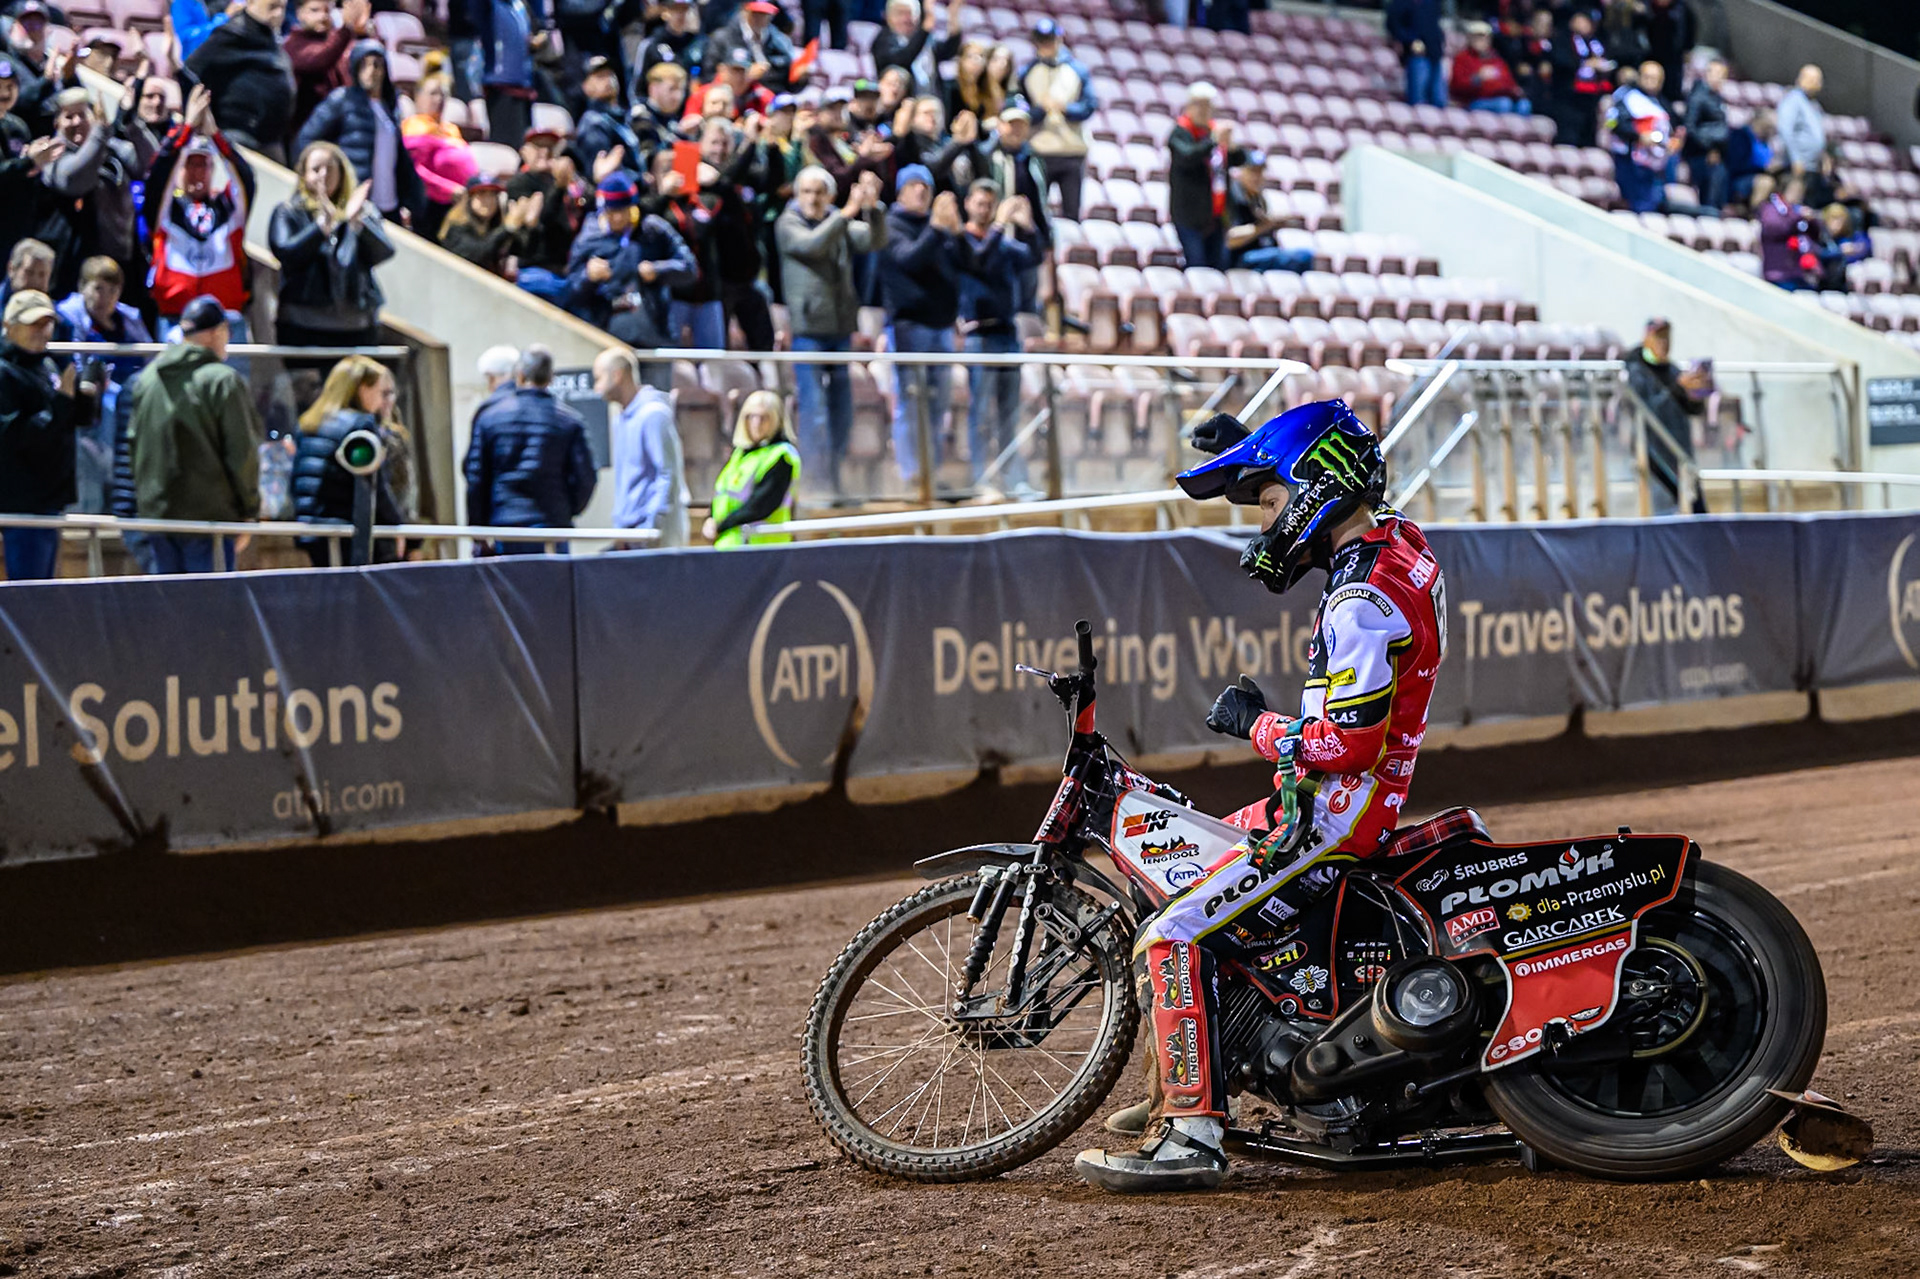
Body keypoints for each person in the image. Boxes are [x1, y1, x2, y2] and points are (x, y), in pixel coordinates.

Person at [1075, 399, 1445, 1192]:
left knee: (1174, 933)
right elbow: (1339, 463)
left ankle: (1193, 1138)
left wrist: (1256, 723)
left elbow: (1346, 743)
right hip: (1332, 805)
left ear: (1316, 486)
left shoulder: (1360, 600)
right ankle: (1179, 1078)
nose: (1269, 521)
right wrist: (1245, 447)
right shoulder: (1396, 545)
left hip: (1329, 814)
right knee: (1176, 865)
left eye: (1273, 500)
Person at [124, 295, 260, 573]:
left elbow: (133, 444)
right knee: (209, 611)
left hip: (157, 517)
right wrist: (250, 511)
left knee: (169, 611)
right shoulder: (222, 380)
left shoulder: (147, 379)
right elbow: (241, 452)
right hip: (208, 519)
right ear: (214, 333)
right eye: (226, 332)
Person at [777, 164, 885, 494]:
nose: (812, 198)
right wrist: (846, 213)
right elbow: (812, 246)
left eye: (818, 192)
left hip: (840, 329)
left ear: (829, 195)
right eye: (806, 192)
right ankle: (814, 483)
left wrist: (872, 207)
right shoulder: (788, 223)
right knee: (814, 410)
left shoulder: (837, 221)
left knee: (842, 411)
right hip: (808, 330)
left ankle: (836, 480)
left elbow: (872, 240)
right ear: (798, 195)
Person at [463, 344, 597, 553]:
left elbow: (476, 477)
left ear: (519, 375)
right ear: (551, 377)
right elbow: (586, 477)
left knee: (507, 586)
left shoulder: (490, 417)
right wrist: (566, 510)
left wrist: (478, 528)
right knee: (553, 586)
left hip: (505, 526)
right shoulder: (570, 421)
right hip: (552, 528)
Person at [145, 83, 255, 328]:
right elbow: (158, 175)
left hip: (226, 317)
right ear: (179, 170)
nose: (196, 172)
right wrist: (186, 129)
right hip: (175, 317)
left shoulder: (228, 205)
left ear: (212, 169)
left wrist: (214, 134)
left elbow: (246, 178)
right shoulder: (166, 206)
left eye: (203, 165)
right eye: (189, 165)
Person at [270, 140, 396, 349]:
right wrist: (320, 228)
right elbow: (285, 252)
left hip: (357, 324)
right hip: (303, 322)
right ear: (303, 174)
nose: (323, 175)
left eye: (330, 168)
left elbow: (384, 252)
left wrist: (357, 223)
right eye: (316, 169)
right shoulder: (288, 212)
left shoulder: (361, 211)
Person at [879, 163, 960, 486]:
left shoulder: (936, 227)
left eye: (926, 187)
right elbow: (908, 259)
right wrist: (938, 230)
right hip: (910, 327)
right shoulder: (890, 225)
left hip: (941, 327)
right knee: (911, 402)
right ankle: (912, 473)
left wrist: (954, 231)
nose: (921, 192)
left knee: (938, 404)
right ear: (900, 191)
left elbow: (960, 265)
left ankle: (932, 470)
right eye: (914, 186)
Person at [290, 352, 408, 564]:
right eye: (379, 392)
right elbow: (374, 484)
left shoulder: (310, 423)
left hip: (310, 528)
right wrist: (397, 526)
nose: (382, 400)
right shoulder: (360, 425)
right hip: (345, 529)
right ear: (362, 389)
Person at [565, 171, 697, 356]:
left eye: (624, 211)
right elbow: (570, 293)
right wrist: (588, 277)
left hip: (655, 338)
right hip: (607, 341)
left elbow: (690, 268)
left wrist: (658, 270)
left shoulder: (653, 230)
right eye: (612, 212)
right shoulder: (589, 238)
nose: (618, 218)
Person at [956, 178, 1033, 496]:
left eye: (990, 204)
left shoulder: (1001, 240)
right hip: (978, 335)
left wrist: (1027, 227)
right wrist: (1001, 223)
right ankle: (981, 478)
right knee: (980, 415)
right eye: (980, 203)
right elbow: (979, 259)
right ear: (968, 204)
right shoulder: (963, 240)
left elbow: (1031, 257)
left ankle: (1013, 478)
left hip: (1007, 334)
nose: (985, 209)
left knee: (1008, 413)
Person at [38, 86, 150, 301]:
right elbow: (72, 180)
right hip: (74, 267)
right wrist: (99, 131)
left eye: (83, 114)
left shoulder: (114, 148)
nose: (77, 121)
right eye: (69, 116)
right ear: (57, 123)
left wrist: (131, 123)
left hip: (122, 261)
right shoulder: (51, 155)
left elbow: (147, 166)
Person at [295, 41, 425, 224]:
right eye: (364, 64)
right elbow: (306, 140)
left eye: (377, 64)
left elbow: (399, 159)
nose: (371, 71)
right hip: (352, 199)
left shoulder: (390, 109)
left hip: (387, 206)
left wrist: (413, 199)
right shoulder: (342, 100)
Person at [0, 289, 78, 580]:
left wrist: (83, 399)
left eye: (47, 324)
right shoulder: (4, 372)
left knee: (40, 593)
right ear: (8, 326)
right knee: (30, 596)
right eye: (34, 324)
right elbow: (14, 438)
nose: (42, 332)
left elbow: (61, 425)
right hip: (24, 503)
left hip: (46, 500)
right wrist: (62, 402)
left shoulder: (44, 364)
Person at [182, 0, 296, 163]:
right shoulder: (232, 34)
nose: (278, 14)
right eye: (272, 7)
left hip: (269, 140)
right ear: (251, 2)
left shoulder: (271, 39)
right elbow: (192, 72)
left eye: (282, 8)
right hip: (236, 136)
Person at [597, 344, 688, 545]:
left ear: (618, 375)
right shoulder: (619, 418)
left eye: (599, 378)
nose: (597, 387)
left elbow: (667, 475)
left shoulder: (653, 414)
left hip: (652, 535)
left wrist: (651, 527)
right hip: (630, 533)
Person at [1624, 317, 1708, 514]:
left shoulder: (1673, 370)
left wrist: (1696, 394)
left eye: (1667, 338)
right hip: (1655, 459)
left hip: (1679, 456)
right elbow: (1647, 413)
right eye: (1658, 337)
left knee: (1699, 514)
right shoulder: (1636, 372)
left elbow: (1691, 410)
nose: (1664, 343)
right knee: (1664, 518)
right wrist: (1678, 388)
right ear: (1646, 339)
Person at [1019, 19, 1094, 223]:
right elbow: (1020, 113)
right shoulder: (1027, 72)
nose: (1047, 46)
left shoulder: (1077, 70)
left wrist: (1065, 108)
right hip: (1040, 151)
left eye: (1050, 40)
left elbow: (1089, 106)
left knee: (1072, 214)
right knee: (1036, 213)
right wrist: (1041, 109)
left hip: (1072, 151)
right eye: (1042, 41)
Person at [704, 387, 799, 546]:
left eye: (764, 418)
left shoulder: (782, 455)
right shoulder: (740, 454)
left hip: (761, 549)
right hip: (729, 546)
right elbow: (723, 494)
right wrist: (710, 519)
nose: (756, 423)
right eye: (751, 416)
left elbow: (762, 504)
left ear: (776, 419)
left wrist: (721, 525)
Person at [1168, 82, 1238, 273]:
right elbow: (1187, 157)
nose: (1204, 110)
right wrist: (1213, 141)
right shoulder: (1180, 132)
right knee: (1197, 268)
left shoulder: (1213, 131)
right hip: (1190, 215)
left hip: (1215, 216)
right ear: (1189, 106)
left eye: (1207, 106)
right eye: (1199, 105)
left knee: (1220, 268)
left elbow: (1238, 160)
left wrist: (1231, 145)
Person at [402, 75, 479, 236]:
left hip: (459, 202)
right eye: (433, 93)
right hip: (433, 205)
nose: (439, 99)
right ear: (418, 97)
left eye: (443, 94)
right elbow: (415, 171)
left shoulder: (448, 128)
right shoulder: (416, 127)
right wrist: (449, 189)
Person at [286, 0, 369, 135]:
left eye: (327, 11)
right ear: (299, 13)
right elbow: (321, 59)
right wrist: (347, 28)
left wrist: (362, 32)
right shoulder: (292, 45)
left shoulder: (336, 42)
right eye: (314, 10)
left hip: (339, 127)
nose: (322, 17)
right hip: (305, 132)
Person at [439, 172, 542, 276]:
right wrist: (508, 227)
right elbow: (478, 254)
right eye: (481, 194)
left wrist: (530, 227)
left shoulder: (496, 228)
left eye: (492, 195)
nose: (488, 201)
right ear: (469, 199)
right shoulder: (457, 227)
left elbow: (525, 253)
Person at [1226, 152, 1311, 273]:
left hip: (1260, 253)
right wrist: (1265, 225)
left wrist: (1275, 223)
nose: (1257, 177)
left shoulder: (1258, 199)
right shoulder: (1232, 197)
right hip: (1240, 258)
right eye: (1252, 171)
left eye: (1260, 172)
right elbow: (1230, 239)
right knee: (1303, 257)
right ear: (1240, 172)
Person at [569, 54, 642, 181]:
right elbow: (603, 174)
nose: (608, 80)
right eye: (600, 77)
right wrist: (640, 179)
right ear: (585, 87)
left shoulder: (617, 118)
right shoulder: (593, 122)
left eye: (610, 74)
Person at [705, 0, 800, 95]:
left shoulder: (779, 40)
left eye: (765, 15)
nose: (760, 19)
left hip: (773, 96)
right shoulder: (723, 38)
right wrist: (745, 76)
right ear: (744, 11)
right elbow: (709, 76)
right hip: (735, 98)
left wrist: (800, 77)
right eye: (756, 14)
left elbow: (789, 78)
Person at [871, 0, 961, 96]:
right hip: (905, 104)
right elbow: (902, 59)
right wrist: (925, 29)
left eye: (911, 14)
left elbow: (948, 52)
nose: (906, 19)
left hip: (933, 99)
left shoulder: (925, 39)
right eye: (900, 13)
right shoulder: (883, 40)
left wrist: (953, 17)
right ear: (888, 17)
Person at [1450, 21, 1531, 115]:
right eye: (1478, 37)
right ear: (1470, 38)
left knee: (1524, 104)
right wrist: (1477, 78)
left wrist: (1514, 90)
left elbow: (1509, 81)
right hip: (1474, 101)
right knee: (1504, 104)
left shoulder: (1496, 59)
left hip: (1501, 97)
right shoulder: (1462, 58)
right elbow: (1456, 87)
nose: (1482, 40)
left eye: (1485, 37)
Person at [1683, 56, 1730, 211]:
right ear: (1707, 73)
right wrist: (1709, 149)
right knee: (1715, 175)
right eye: (1716, 73)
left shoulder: (1717, 98)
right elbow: (1690, 128)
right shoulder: (1698, 96)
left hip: (1716, 153)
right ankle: (1709, 213)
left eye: (1722, 75)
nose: (1719, 78)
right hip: (1698, 154)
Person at [1758, 172, 1817, 290]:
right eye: (1794, 190)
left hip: (1799, 274)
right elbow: (1774, 228)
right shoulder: (1769, 208)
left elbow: (1815, 237)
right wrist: (1797, 216)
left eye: (1800, 191)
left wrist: (1812, 222)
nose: (1798, 194)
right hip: (1777, 273)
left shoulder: (1798, 211)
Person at [1384, 0, 1444, 109]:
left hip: (1435, 52)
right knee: (1418, 98)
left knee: (1438, 99)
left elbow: (1435, 25)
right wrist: (1410, 41)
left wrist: (1440, 40)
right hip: (1416, 55)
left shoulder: (1432, 3)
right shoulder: (1400, 3)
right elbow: (1393, 25)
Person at [1777, 65, 1827, 175]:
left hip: (1812, 167)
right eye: (1811, 79)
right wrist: (1795, 159)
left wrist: (1823, 157)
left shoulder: (1814, 105)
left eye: (1818, 80)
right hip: (1797, 166)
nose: (1816, 83)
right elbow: (1785, 129)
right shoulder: (1793, 100)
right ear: (1800, 79)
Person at [1815, 203, 1872, 293]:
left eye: (1841, 221)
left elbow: (1859, 249)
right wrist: (1839, 251)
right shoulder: (1819, 235)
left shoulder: (1843, 238)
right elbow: (1818, 253)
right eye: (1834, 219)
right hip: (1820, 281)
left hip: (1838, 282)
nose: (1838, 224)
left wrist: (1856, 249)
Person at [945, 40, 1004, 124]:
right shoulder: (951, 87)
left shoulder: (987, 87)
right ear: (961, 60)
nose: (977, 60)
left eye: (981, 56)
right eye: (971, 56)